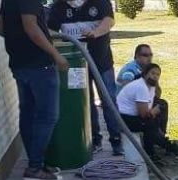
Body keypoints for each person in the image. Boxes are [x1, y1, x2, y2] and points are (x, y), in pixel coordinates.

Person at [0, 0, 70, 180]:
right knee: (47, 115)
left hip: (19, 63)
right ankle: (35, 167)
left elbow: (0, 28)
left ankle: (36, 163)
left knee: (28, 114)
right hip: (39, 65)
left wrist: (24, 38)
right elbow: (30, 26)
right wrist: (55, 53)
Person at [48, 0, 123, 155]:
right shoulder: (58, 7)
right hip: (75, 65)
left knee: (108, 99)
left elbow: (109, 20)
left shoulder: (100, 2)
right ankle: (94, 140)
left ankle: (116, 140)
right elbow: (50, 30)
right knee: (85, 101)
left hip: (101, 62)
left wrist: (95, 33)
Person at [117, 64, 178, 159]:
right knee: (149, 124)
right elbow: (144, 114)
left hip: (132, 116)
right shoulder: (141, 87)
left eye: (157, 75)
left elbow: (150, 104)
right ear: (145, 74)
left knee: (158, 111)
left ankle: (156, 148)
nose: (155, 76)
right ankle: (163, 148)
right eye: (152, 73)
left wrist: (155, 110)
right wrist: (154, 111)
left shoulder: (150, 86)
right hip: (123, 119)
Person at [117, 44, 172, 142]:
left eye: (151, 55)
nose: (149, 58)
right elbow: (127, 87)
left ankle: (158, 136)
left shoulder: (148, 71)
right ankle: (159, 139)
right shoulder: (130, 70)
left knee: (161, 105)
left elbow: (157, 94)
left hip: (138, 103)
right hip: (127, 110)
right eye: (145, 55)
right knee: (156, 110)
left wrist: (155, 81)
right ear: (137, 56)